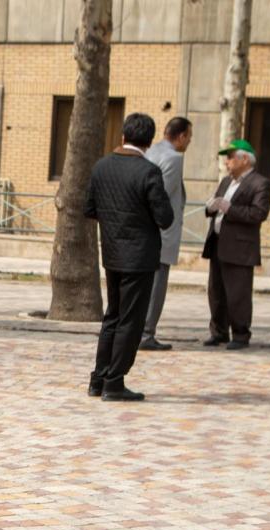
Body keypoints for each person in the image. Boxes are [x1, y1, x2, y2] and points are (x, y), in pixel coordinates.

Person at [84, 112, 175, 402]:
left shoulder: (101, 167)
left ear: (123, 136)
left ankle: (98, 379)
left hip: (112, 252)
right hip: (139, 257)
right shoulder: (149, 172)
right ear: (149, 141)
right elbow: (165, 218)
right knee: (130, 321)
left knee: (112, 316)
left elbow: (89, 209)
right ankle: (114, 382)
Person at [201, 139, 270, 350]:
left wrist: (229, 208)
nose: (227, 162)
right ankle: (218, 332)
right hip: (217, 242)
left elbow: (258, 213)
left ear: (244, 159)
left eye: (230, 157)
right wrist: (211, 207)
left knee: (237, 294)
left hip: (240, 247)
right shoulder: (226, 181)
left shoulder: (260, 183)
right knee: (216, 292)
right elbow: (216, 205)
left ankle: (240, 334)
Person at [140, 117, 192, 351]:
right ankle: (146, 333)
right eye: (189, 137)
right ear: (181, 136)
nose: (189, 142)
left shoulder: (151, 152)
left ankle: (141, 331)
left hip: (146, 233)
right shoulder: (173, 158)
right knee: (156, 286)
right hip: (162, 234)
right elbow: (160, 197)